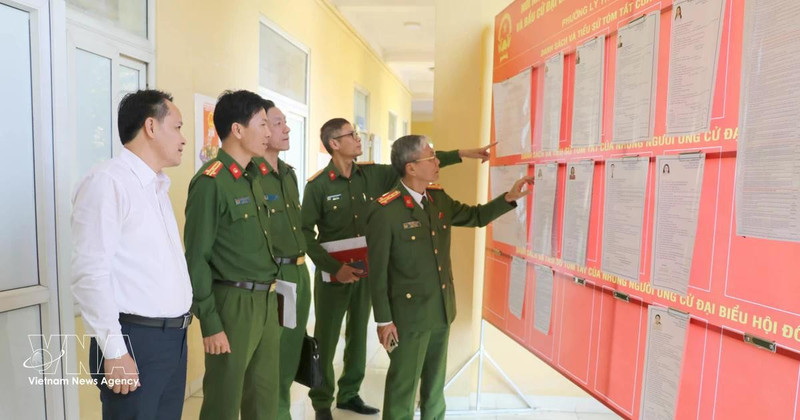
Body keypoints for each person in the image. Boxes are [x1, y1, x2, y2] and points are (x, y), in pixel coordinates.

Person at [301, 118, 494, 420]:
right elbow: (304, 233)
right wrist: (334, 267)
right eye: (350, 134)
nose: (358, 137)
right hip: (333, 274)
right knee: (325, 340)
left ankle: (349, 393)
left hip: (366, 270)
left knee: (357, 337)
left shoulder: (372, 175)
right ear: (334, 143)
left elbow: (412, 161)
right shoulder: (318, 186)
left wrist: (463, 154)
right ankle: (322, 402)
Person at [366, 135, 534, 419]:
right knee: (402, 391)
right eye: (430, 157)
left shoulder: (438, 199)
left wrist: (509, 198)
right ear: (411, 168)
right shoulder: (385, 210)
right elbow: (378, 271)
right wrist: (384, 321)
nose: (436, 162)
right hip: (407, 319)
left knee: (434, 388)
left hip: (441, 310)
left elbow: (476, 216)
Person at [71, 89, 193, 419]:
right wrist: (114, 351)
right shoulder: (108, 182)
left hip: (172, 341)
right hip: (134, 342)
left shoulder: (156, 186)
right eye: (178, 127)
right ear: (151, 127)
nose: (184, 139)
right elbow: (89, 273)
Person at [184, 90, 281, 420]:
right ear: (237, 130)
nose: (269, 133)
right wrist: (210, 323)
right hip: (232, 304)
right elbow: (196, 258)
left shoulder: (254, 177)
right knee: (224, 402)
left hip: (266, 301)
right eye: (263, 124)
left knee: (264, 398)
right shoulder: (211, 182)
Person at [260, 100, 312, 419]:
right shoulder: (253, 176)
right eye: (278, 123)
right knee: (272, 354)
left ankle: (281, 410)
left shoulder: (289, 175)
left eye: (284, 122)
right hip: (277, 276)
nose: (287, 128)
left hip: (300, 272)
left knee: (292, 350)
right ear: (261, 129)